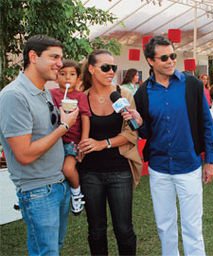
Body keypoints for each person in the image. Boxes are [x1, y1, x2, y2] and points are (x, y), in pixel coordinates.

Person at [133, 35, 213, 256]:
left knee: (192, 228)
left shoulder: (192, 85)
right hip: (159, 169)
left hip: (189, 167)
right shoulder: (142, 92)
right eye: (164, 58)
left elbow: (207, 124)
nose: (171, 61)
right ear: (151, 61)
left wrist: (209, 160)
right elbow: (146, 132)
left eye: (173, 55)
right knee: (165, 226)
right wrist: (140, 123)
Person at [0, 35, 79, 255]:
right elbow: (24, 154)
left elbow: (45, 133)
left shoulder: (43, 91)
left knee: (54, 249)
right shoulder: (14, 96)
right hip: (37, 191)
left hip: (57, 184)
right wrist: (64, 126)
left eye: (61, 58)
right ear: (33, 57)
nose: (60, 64)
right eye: (54, 57)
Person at [77, 49, 142, 256]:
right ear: (92, 69)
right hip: (90, 173)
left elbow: (131, 135)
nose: (111, 71)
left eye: (113, 67)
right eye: (105, 67)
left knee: (124, 229)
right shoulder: (82, 98)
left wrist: (101, 143)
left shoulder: (124, 95)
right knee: (96, 230)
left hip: (120, 170)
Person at [50, 59, 91, 214]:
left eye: (72, 74)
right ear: (56, 77)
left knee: (68, 169)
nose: (67, 78)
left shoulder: (80, 96)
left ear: (78, 79)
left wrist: (84, 141)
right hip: (54, 141)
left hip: (72, 141)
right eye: (63, 74)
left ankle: (76, 192)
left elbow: (86, 118)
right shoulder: (51, 94)